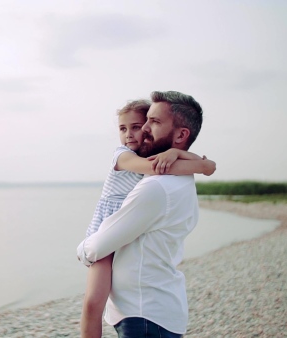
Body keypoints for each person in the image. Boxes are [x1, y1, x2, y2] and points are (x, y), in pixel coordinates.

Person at [79, 96, 215, 338]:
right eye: (124, 128)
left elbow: (97, 245)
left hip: (144, 314)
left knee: (93, 302)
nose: (140, 131)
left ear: (181, 135)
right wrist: (197, 162)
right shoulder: (131, 159)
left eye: (150, 123)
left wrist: (82, 249)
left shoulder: (158, 187)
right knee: (93, 303)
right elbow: (158, 167)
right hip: (151, 308)